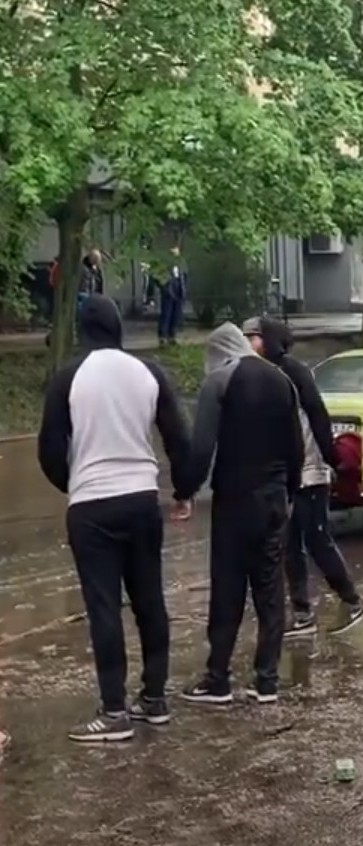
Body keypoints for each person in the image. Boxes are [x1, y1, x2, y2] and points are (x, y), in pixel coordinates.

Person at [36, 294, 191, 742]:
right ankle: (155, 699)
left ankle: (113, 711)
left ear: (84, 331)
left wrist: (75, 485)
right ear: (119, 328)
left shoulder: (68, 377)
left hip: (92, 506)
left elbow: (48, 449)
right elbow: (178, 438)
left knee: (104, 606)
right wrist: (181, 491)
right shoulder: (148, 373)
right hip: (142, 498)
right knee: (149, 600)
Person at [179, 322, 304, 705]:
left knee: (228, 588)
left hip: (233, 500)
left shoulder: (219, 381)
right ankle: (266, 680)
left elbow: (201, 449)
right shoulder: (282, 382)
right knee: (270, 589)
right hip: (272, 500)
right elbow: (296, 448)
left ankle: (218, 678)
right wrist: (291, 490)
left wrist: (184, 491)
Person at [243, 317, 363, 637]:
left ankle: (353, 601)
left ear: (270, 339)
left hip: (310, 472)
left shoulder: (293, 371)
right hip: (283, 475)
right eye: (245, 337)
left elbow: (317, 414)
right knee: (288, 544)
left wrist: (332, 459)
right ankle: (302, 614)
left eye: (254, 337)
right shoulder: (259, 375)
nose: (248, 343)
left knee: (317, 539)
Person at [156, 251, 187, 346]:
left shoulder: (180, 267)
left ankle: (172, 336)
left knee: (176, 315)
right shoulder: (164, 268)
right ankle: (162, 336)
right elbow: (159, 280)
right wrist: (165, 289)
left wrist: (183, 290)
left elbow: (183, 278)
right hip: (168, 293)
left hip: (178, 292)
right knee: (166, 315)